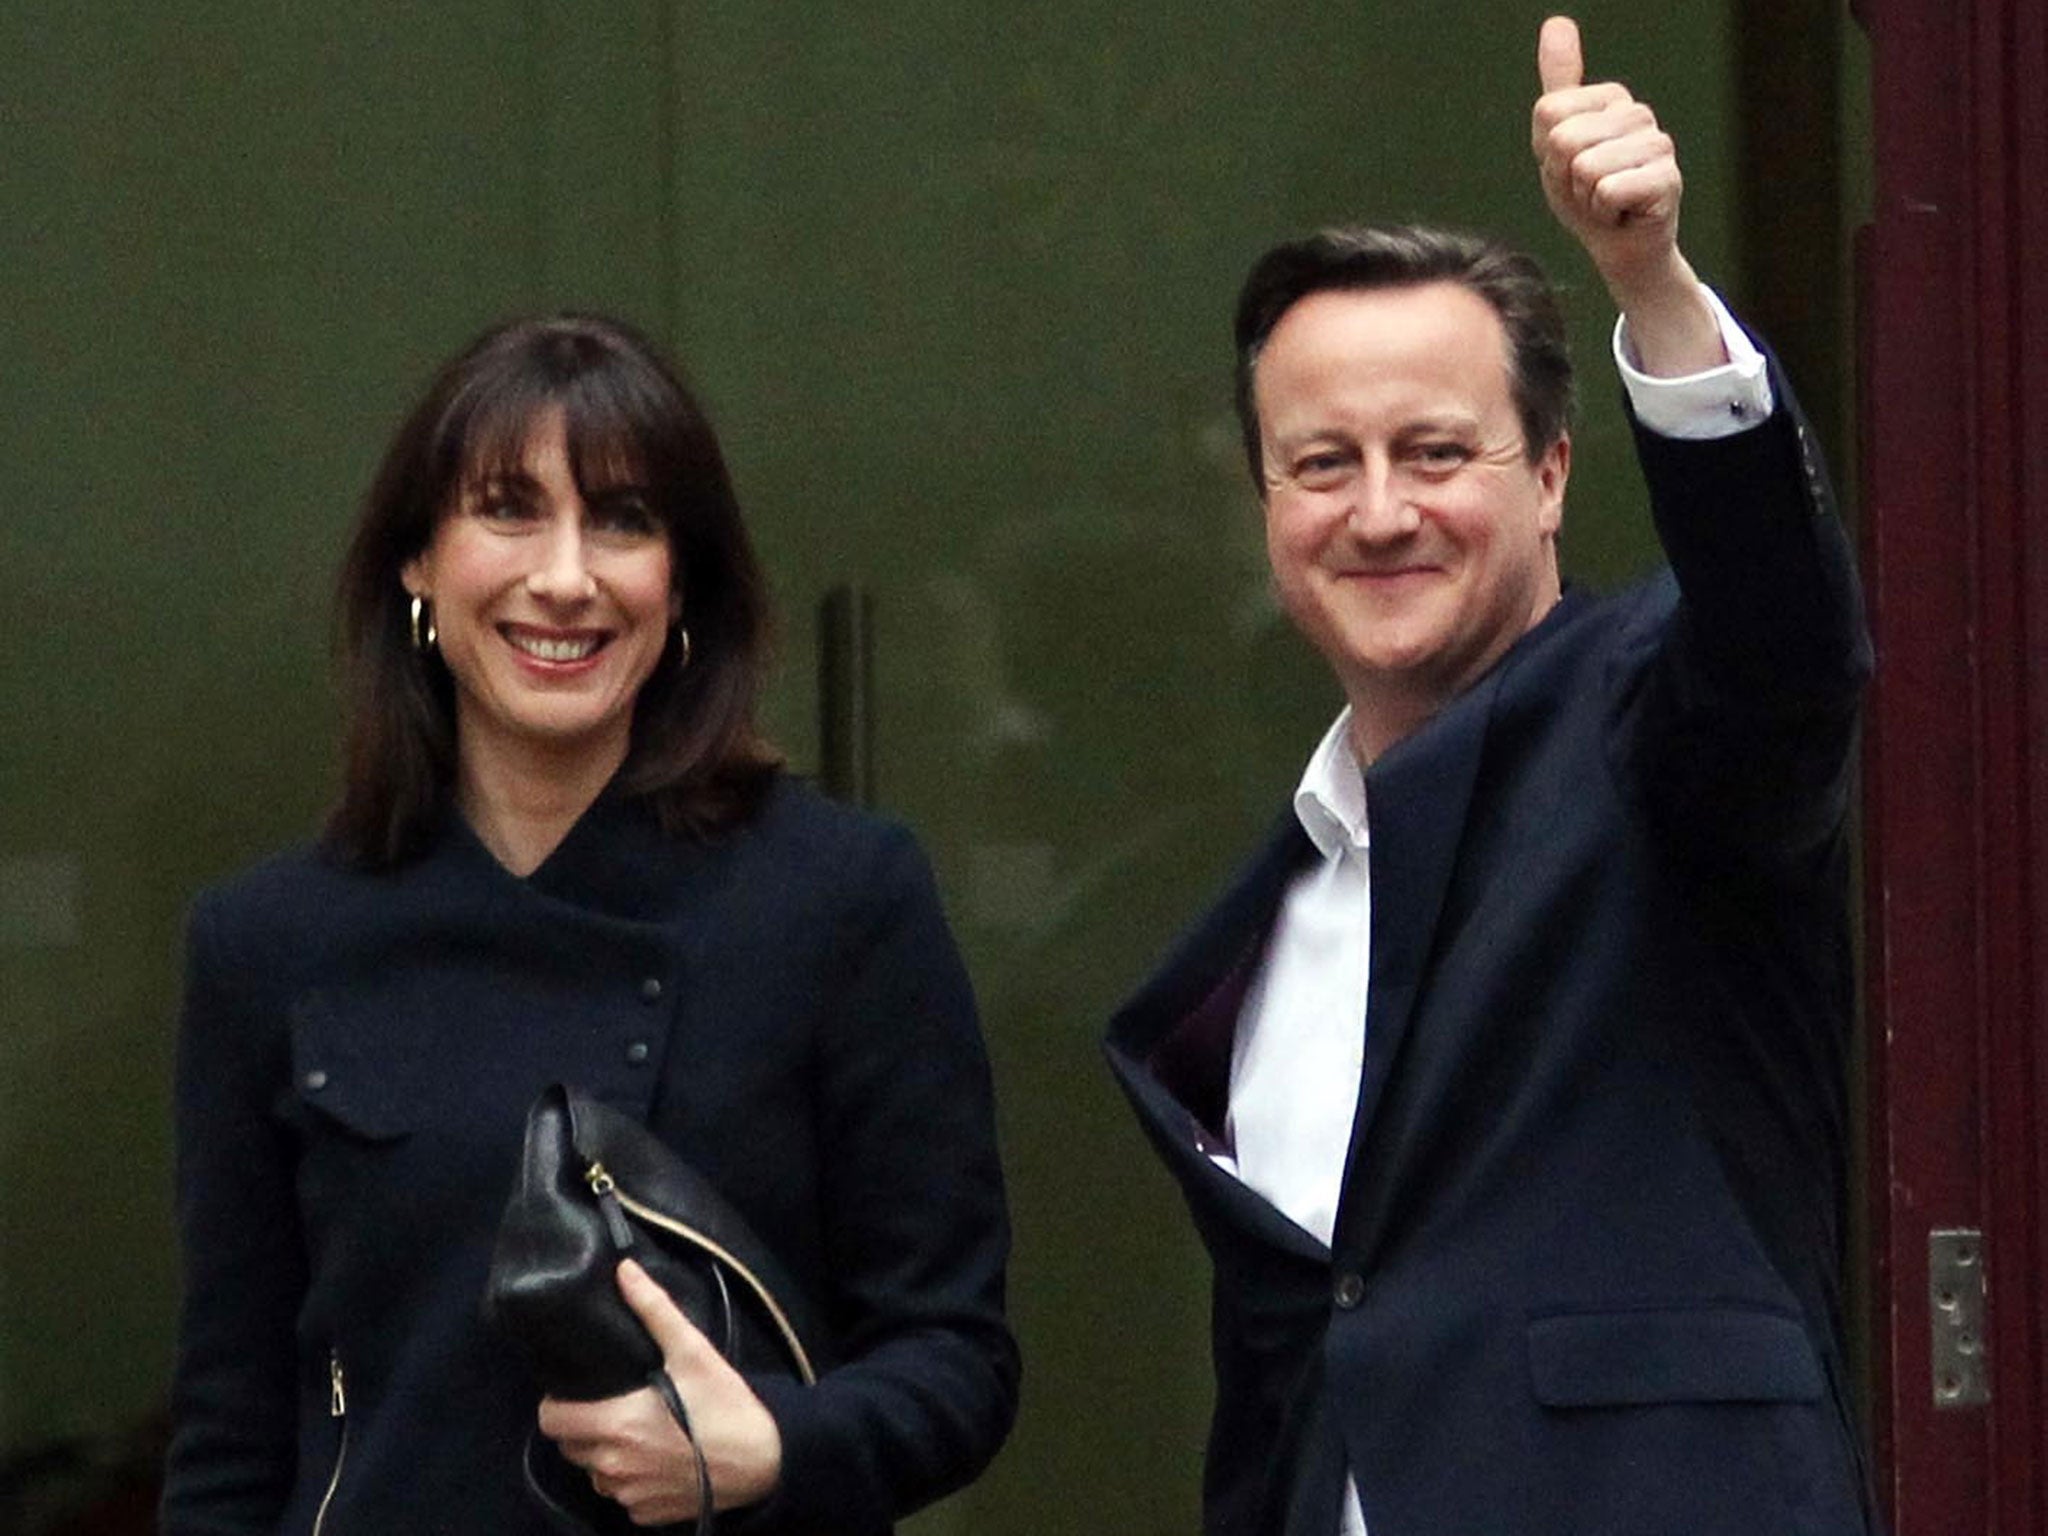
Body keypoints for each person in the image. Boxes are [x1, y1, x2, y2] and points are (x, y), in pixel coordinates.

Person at [1105, 17, 1878, 1535]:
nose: (1381, 511)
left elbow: (1786, 644)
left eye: (1438, 452)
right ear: (1267, 507)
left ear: (1552, 473)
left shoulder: (1658, 740)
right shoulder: (1276, 908)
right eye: (1324, 464)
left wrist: (1650, 285)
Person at [161, 313, 1018, 1535]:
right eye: (508, 509)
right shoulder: (269, 940)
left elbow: (957, 1360)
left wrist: (769, 1446)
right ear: (416, 561)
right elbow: (231, 1432)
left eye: (622, 519)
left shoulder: (839, 898)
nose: (564, 576)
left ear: (682, 586)